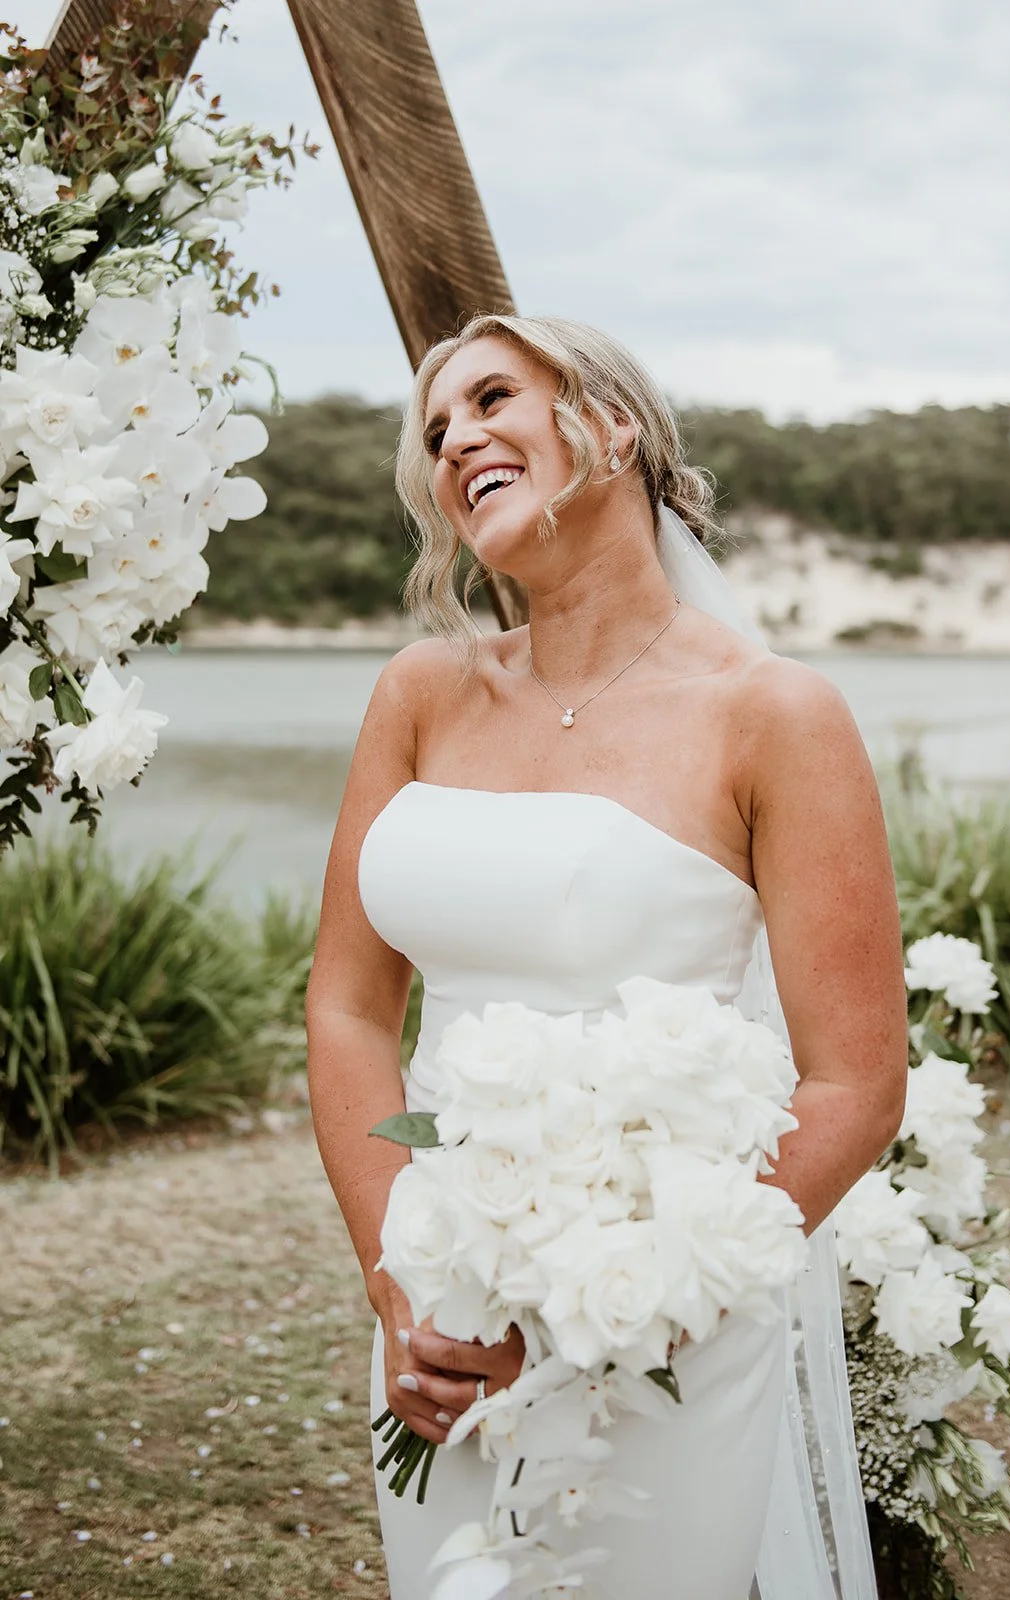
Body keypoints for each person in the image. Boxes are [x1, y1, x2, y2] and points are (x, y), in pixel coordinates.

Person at [304, 313, 908, 1599]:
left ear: (611, 425)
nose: (455, 435)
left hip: (664, 1321)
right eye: (435, 429)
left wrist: (617, 1311)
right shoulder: (419, 692)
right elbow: (351, 1012)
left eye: (490, 397)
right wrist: (400, 1284)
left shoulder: (772, 714)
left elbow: (855, 1085)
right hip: (441, 1310)